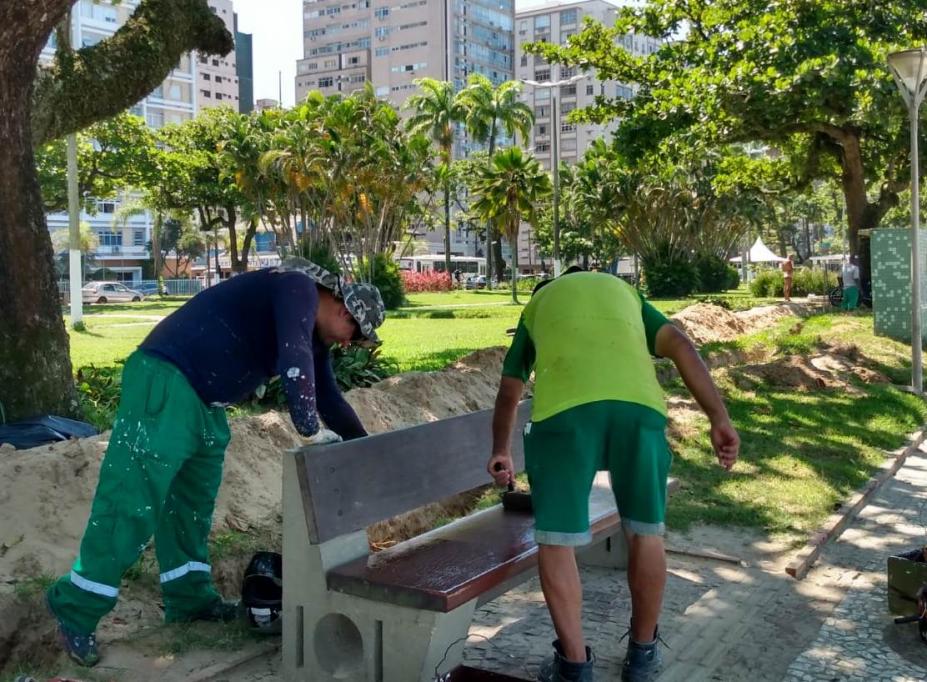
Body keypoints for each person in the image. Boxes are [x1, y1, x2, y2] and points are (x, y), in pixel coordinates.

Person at [46, 260, 385, 667]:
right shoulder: (298, 289)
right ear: (346, 311)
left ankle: (188, 597)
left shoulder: (315, 337)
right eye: (356, 335)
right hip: (167, 380)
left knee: (190, 507)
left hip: (206, 404)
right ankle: (76, 606)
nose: (350, 344)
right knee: (130, 502)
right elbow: (294, 361)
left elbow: (330, 397)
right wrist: (309, 429)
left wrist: (367, 451)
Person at [488, 270, 739, 682]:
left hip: (564, 418)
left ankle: (573, 666)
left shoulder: (538, 304)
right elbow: (679, 343)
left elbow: (510, 390)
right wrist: (719, 418)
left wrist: (500, 449)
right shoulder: (625, 292)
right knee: (646, 531)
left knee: (557, 539)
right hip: (638, 412)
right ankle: (641, 658)